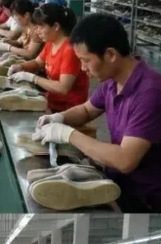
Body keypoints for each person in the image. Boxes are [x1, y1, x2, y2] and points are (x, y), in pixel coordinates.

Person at [35, 14, 161, 211]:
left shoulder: (150, 93)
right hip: (119, 179)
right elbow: (86, 110)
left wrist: (68, 134)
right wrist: (59, 117)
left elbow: (125, 160)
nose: (83, 68)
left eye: (86, 60)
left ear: (110, 54)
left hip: (146, 197)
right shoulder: (112, 80)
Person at [9, 4, 88, 113]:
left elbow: (63, 88)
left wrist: (33, 78)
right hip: (52, 100)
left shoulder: (70, 50)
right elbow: (37, 63)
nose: (37, 31)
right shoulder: (51, 43)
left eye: (41, 27)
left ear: (56, 26)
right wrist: (20, 66)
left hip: (68, 109)